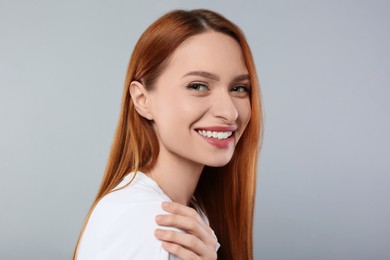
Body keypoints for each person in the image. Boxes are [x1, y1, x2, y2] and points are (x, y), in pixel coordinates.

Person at [73, 9, 263, 260]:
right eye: (198, 86)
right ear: (142, 100)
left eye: (239, 88)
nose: (229, 112)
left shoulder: (184, 212)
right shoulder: (154, 225)